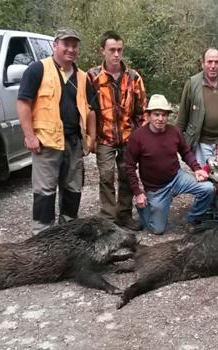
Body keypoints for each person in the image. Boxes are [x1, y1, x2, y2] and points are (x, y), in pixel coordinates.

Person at [17, 27, 95, 234]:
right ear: (55, 45)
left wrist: (91, 138)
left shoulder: (83, 77)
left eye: (74, 45)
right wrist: (29, 136)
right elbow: (23, 103)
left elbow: (91, 109)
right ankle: (42, 236)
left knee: (73, 190)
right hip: (46, 143)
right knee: (44, 192)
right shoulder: (37, 70)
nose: (70, 49)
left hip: (74, 143)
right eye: (66, 44)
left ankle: (67, 234)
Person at [125, 94, 213, 234]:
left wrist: (197, 169)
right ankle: (143, 208)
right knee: (157, 230)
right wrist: (138, 193)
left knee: (208, 188)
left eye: (164, 115)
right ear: (148, 115)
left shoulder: (175, 132)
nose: (160, 119)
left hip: (176, 178)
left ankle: (192, 219)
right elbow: (129, 166)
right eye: (156, 114)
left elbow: (186, 152)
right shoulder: (138, 137)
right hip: (156, 188)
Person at [87, 31, 146, 231]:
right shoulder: (92, 77)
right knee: (105, 176)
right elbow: (88, 109)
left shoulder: (133, 77)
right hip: (104, 137)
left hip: (129, 136)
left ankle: (124, 215)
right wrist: (91, 138)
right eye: (112, 50)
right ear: (102, 50)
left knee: (127, 175)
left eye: (119, 50)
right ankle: (108, 219)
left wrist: (140, 137)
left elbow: (141, 110)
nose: (116, 54)